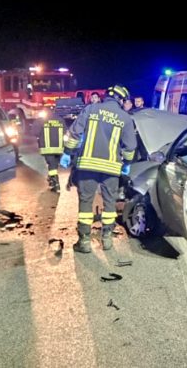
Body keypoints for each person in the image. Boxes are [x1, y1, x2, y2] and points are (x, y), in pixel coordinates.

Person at [60, 84, 136, 252]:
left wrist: (67, 153)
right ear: (120, 100)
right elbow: (130, 148)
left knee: (86, 203)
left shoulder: (91, 109)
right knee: (110, 202)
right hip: (111, 169)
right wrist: (127, 165)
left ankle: (84, 242)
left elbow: (74, 133)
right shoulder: (125, 118)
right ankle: (107, 239)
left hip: (87, 166)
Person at [38, 110, 64, 193]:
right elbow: (66, 132)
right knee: (54, 165)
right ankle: (51, 179)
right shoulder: (60, 120)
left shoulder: (41, 121)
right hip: (59, 149)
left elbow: (34, 132)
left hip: (47, 149)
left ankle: (56, 184)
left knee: (52, 166)